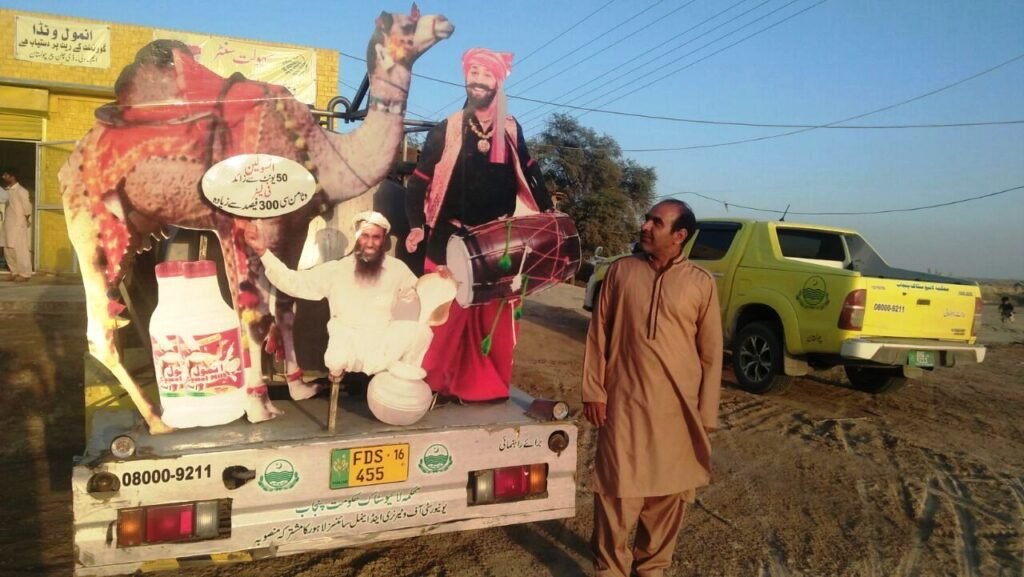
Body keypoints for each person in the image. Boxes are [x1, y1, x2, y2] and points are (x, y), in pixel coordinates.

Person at [582, 199, 723, 577]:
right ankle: (610, 569)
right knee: (616, 495)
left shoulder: (701, 284)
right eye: (646, 219)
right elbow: (599, 334)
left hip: (676, 414)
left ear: (679, 236)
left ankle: (652, 570)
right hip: (624, 407)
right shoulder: (621, 272)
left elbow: (711, 355)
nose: (645, 226)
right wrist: (594, 390)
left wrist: (706, 413)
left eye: (655, 222)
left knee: (666, 499)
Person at [405, 47, 553, 402]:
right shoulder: (449, 128)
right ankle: (429, 386)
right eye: (473, 73)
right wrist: (415, 225)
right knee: (442, 319)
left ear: (498, 82)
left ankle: (482, 389)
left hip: (496, 244)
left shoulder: (511, 129)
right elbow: (419, 180)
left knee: (493, 322)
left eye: (486, 75)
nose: (478, 80)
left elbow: (531, 173)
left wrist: (549, 214)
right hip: (447, 238)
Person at [244, 211, 433, 398]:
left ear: (383, 239)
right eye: (365, 236)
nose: (369, 243)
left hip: (382, 341)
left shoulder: (396, 269)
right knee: (336, 358)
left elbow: (421, 292)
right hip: (346, 343)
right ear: (357, 236)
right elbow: (293, 282)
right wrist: (263, 252)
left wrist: (439, 279)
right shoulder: (337, 270)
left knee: (421, 333)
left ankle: (400, 395)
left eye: (376, 237)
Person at [1, 168, 33, 282]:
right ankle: (14, 272)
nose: (4, 177)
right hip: (8, 224)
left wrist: (24, 221)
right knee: (8, 249)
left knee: (20, 249)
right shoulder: (8, 191)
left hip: (18, 224)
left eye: (6, 175)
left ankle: (25, 274)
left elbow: (27, 208)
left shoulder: (21, 191)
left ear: (13, 176)